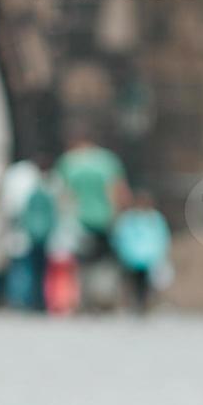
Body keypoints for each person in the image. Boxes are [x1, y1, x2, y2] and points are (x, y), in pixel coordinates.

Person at [53, 129, 129, 312]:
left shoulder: (68, 162)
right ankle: (103, 298)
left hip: (78, 220)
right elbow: (118, 191)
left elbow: (61, 194)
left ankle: (82, 299)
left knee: (80, 262)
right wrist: (119, 214)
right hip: (105, 219)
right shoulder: (108, 161)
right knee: (105, 261)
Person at [0, 152, 57, 311]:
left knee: (20, 267)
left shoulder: (16, 177)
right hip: (36, 234)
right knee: (30, 268)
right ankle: (30, 300)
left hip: (22, 230)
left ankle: (19, 299)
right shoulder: (39, 187)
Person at [112, 189, 172, 315]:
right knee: (133, 283)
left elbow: (161, 238)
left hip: (147, 259)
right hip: (132, 258)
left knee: (145, 285)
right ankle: (133, 305)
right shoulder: (129, 219)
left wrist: (159, 255)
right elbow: (121, 236)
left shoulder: (155, 219)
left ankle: (143, 305)